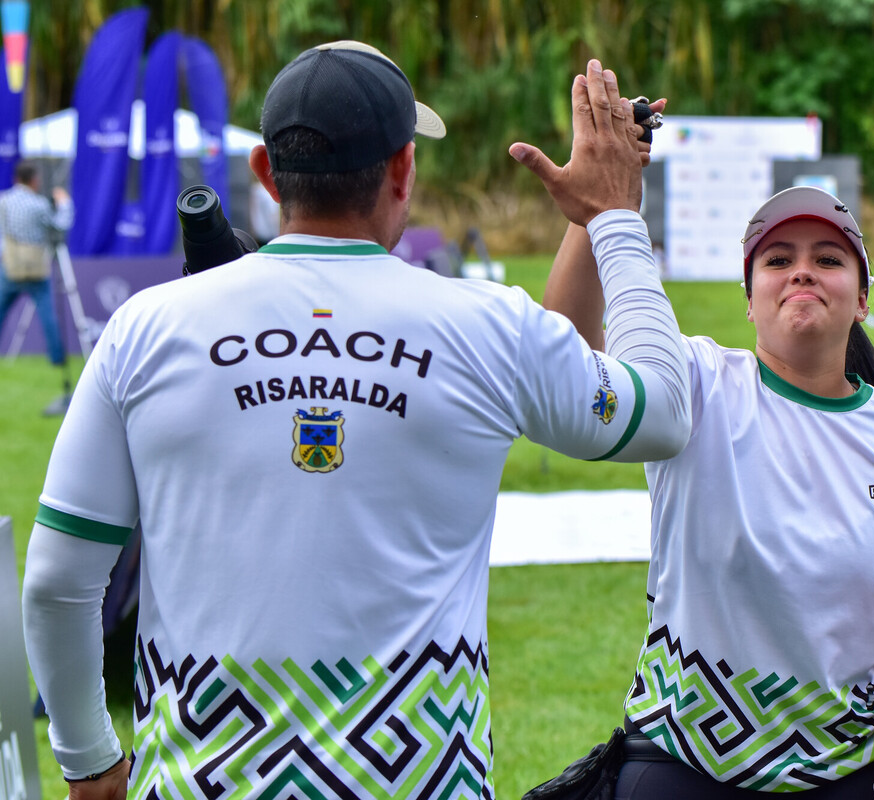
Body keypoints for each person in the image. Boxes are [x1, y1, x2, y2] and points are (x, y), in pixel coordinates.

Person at [22, 43, 691, 800]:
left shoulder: (146, 326)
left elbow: (56, 583)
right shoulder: (486, 327)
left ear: (267, 173)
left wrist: (89, 760)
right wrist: (612, 219)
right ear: (403, 169)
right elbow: (660, 411)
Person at [542, 184, 874, 798]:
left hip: (851, 774)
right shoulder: (695, 383)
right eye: (778, 260)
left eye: (827, 259)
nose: (802, 271)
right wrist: (590, 212)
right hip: (684, 767)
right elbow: (569, 364)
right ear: (750, 299)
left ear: (862, 298)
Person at [0, 161, 74, 365]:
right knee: (48, 316)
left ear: (16, 179)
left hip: (10, 266)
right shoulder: (39, 205)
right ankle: (57, 359)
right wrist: (64, 203)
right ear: (33, 180)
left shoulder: (3, 201)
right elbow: (61, 225)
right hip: (36, 269)